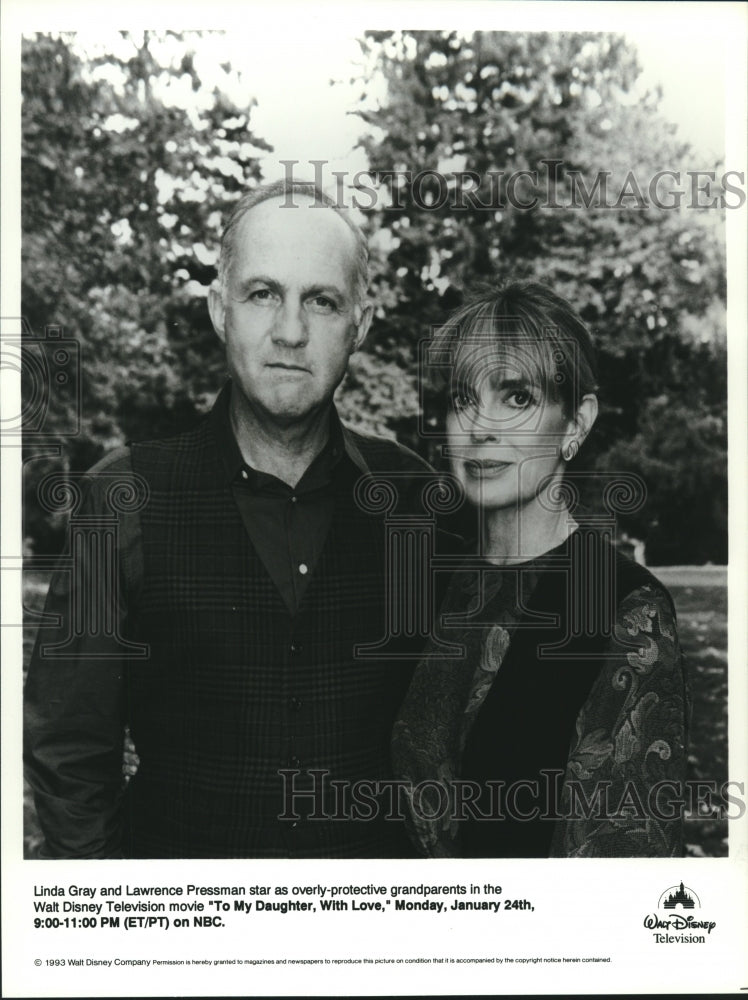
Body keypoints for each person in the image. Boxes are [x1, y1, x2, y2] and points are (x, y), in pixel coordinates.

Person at [24, 179, 445, 859]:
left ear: (358, 326)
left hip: (371, 939)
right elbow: (70, 751)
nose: (290, 330)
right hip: (183, 939)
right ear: (221, 311)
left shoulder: (418, 503)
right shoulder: (122, 498)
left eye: (321, 300)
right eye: (262, 294)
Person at [392, 280, 689, 858]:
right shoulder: (434, 582)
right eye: (462, 398)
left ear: (575, 423)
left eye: (518, 397)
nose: (482, 425)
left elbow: (619, 884)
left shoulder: (625, 610)